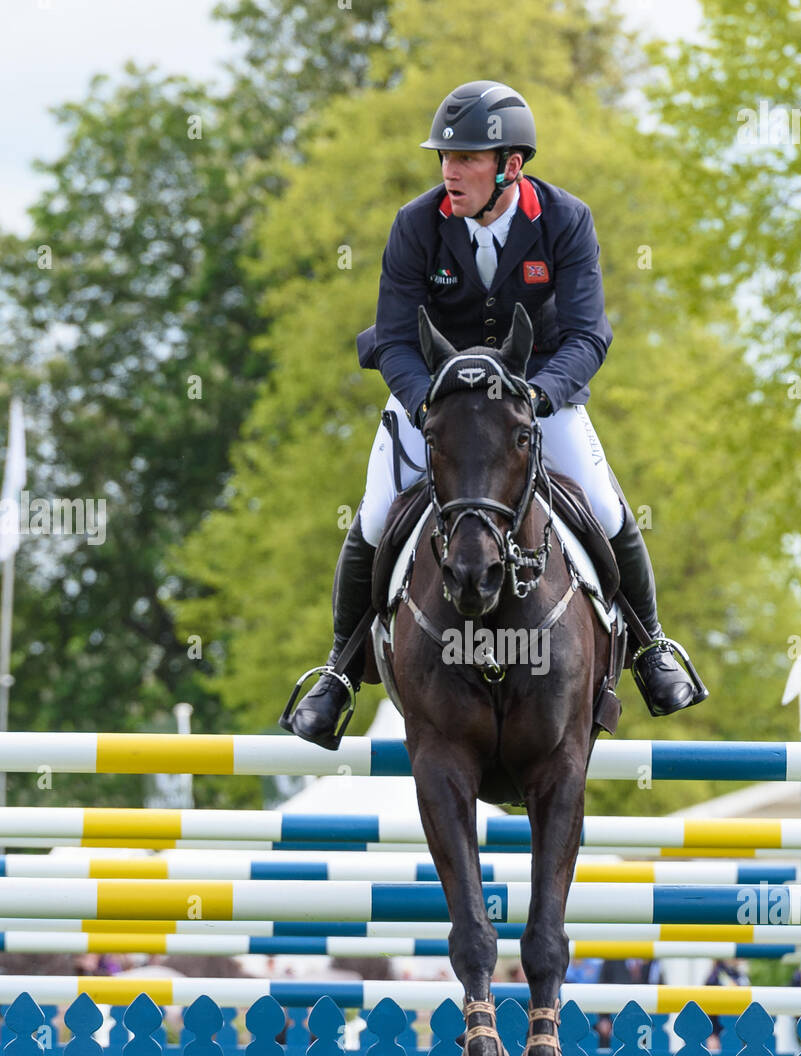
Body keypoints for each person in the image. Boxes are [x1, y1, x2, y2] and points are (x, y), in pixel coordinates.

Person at [289, 80, 706, 749]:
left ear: (511, 164)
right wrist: (430, 402)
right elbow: (394, 337)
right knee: (373, 513)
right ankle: (338, 672)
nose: (449, 171)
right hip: (437, 403)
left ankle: (651, 648)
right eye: (444, 159)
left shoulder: (565, 221)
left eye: (468, 158)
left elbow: (587, 336)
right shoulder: (416, 225)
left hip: (536, 399)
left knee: (601, 505)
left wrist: (538, 397)